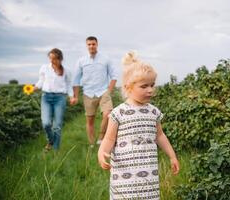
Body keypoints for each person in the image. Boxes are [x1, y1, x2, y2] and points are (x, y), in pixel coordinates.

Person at [98, 51, 180, 199]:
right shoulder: (119, 113)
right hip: (124, 177)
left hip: (148, 175)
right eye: (144, 86)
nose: (150, 90)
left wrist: (172, 156)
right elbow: (109, 139)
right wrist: (102, 152)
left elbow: (160, 135)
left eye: (152, 85)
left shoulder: (153, 112)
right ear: (128, 87)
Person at [70, 36, 117, 147]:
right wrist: (75, 96)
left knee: (108, 114)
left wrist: (108, 91)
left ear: (97, 44)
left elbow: (114, 77)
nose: (91, 46)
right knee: (90, 120)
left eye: (93, 44)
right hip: (88, 93)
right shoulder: (81, 61)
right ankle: (92, 144)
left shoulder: (106, 59)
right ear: (86, 46)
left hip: (103, 92)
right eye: (89, 44)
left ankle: (101, 138)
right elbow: (76, 80)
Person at [34, 48, 73, 151]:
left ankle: (56, 151)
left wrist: (71, 96)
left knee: (57, 126)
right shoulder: (44, 68)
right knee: (46, 123)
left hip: (60, 98)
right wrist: (35, 87)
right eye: (50, 58)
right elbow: (41, 81)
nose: (52, 61)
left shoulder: (66, 71)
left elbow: (69, 85)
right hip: (46, 97)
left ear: (60, 59)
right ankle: (51, 141)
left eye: (54, 59)